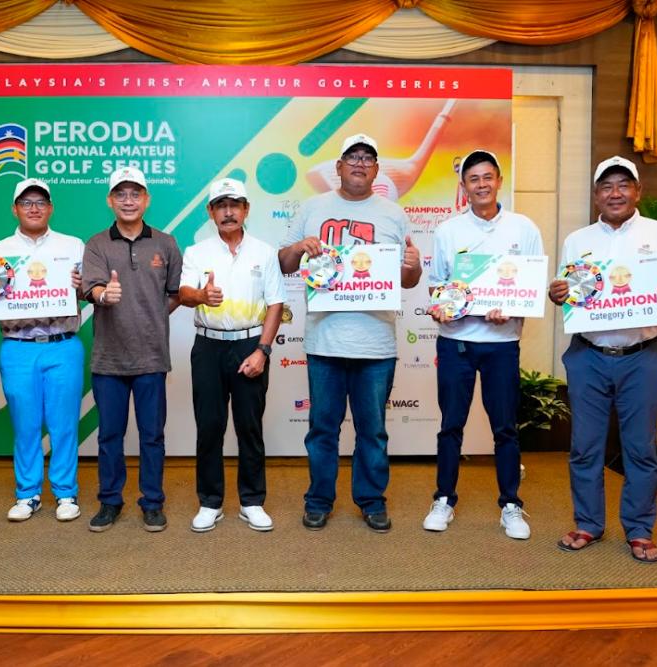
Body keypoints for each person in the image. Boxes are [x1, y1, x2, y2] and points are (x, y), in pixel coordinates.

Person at [548, 156, 657, 563]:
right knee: (585, 447)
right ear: (596, 195)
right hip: (588, 355)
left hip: (642, 356)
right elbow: (572, 292)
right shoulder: (578, 240)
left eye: (623, 185)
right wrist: (556, 292)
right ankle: (588, 524)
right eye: (607, 186)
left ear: (637, 192)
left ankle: (639, 529)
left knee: (640, 448)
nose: (615, 193)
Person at [278, 133, 422, 532]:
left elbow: (409, 280)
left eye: (368, 158)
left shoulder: (394, 214)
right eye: (352, 157)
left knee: (372, 431)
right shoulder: (312, 208)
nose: (360, 163)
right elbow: (285, 262)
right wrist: (301, 247)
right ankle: (319, 500)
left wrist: (412, 264)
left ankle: (371, 499)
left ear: (376, 169)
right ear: (338, 167)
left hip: (377, 344)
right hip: (325, 341)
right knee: (322, 428)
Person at [422, 150, 543, 540]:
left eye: (487, 177)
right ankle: (444, 499)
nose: (481, 185)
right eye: (473, 179)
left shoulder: (524, 228)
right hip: (455, 341)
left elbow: (532, 284)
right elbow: (438, 285)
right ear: (463, 187)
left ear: (499, 180)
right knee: (450, 426)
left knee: (505, 427)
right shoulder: (447, 231)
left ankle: (511, 505)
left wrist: (511, 308)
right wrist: (440, 308)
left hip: (502, 343)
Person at [0, 178, 85, 523]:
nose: (34, 208)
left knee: (63, 424)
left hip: (62, 344)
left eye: (40, 202)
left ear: (50, 208)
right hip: (18, 347)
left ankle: (65, 493)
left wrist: (83, 286)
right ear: (14, 208)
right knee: (26, 423)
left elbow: (90, 291)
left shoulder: (72, 246)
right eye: (26, 202)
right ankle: (28, 493)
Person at [178, 178, 286, 533]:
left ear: (246, 209)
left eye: (234, 204)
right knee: (209, 426)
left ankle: (252, 501)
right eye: (221, 205)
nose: (228, 211)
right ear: (210, 212)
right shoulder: (197, 252)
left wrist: (263, 351)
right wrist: (200, 296)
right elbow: (184, 291)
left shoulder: (264, 252)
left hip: (249, 345)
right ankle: (210, 502)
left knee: (249, 427)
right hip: (208, 346)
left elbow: (275, 304)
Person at [81, 167, 182, 533]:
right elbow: (91, 288)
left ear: (146, 199)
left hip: (152, 357)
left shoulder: (166, 243)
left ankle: (152, 502)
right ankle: (110, 501)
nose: (128, 200)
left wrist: (149, 316)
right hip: (109, 359)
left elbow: (172, 295)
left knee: (152, 435)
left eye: (135, 193)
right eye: (120, 194)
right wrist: (103, 295)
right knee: (109, 435)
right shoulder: (95, 244)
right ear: (110, 200)